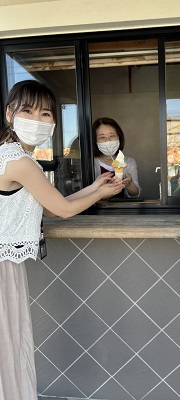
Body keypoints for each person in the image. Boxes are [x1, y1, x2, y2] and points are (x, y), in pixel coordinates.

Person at [0, 80, 124, 400]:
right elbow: (64, 209)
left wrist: (98, 187)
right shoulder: (21, 161)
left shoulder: (12, 156)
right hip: (2, 268)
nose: (38, 120)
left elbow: (51, 209)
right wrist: (100, 191)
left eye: (45, 113)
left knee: (10, 345)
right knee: (9, 346)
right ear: (9, 114)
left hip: (5, 264)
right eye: (28, 111)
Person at [92, 117, 141, 198]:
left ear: (119, 137)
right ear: (95, 141)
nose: (108, 140)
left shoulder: (129, 162)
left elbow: (135, 195)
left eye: (112, 136)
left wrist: (130, 184)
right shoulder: (89, 163)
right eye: (102, 137)